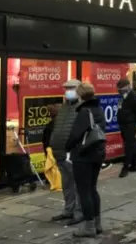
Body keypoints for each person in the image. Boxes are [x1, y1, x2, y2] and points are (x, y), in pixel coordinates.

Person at [65, 83, 106, 238]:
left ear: (80, 96)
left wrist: (67, 147)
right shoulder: (99, 109)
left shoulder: (84, 112)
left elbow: (75, 135)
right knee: (92, 189)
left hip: (83, 156)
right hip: (97, 154)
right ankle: (97, 223)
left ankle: (89, 226)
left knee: (84, 191)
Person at [49, 79, 83, 225]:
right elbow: (58, 127)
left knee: (78, 184)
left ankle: (79, 212)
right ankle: (68, 209)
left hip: (74, 153)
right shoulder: (63, 108)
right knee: (67, 183)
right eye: (66, 88)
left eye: (71, 88)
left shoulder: (83, 107)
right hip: (60, 152)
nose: (68, 91)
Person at [116, 78, 136, 178]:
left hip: (130, 124)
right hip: (124, 124)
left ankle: (125, 167)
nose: (120, 90)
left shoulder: (133, 96)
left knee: (128, 145)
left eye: (121, 88)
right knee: (129, 144)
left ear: (128, 86)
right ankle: (134, 165)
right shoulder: (122, 97)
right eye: (119, 88)